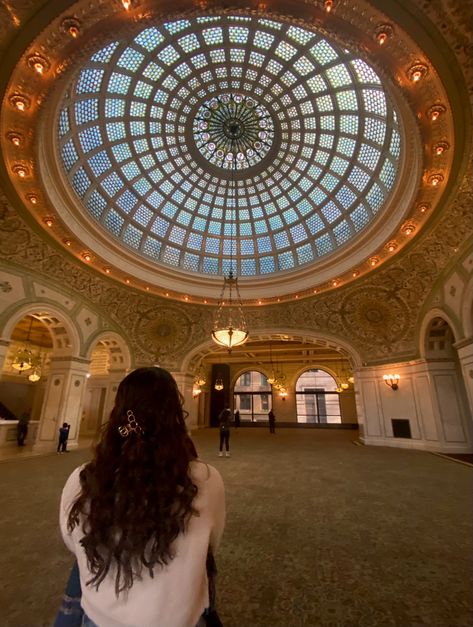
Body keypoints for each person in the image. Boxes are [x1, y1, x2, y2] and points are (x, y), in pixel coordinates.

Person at [59, 367, 225, 627]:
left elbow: (73, 541)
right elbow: (210, 545)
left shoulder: (83, 478)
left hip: (102, 618)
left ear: (118, 412)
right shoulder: (206, 478)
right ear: (175, 415)